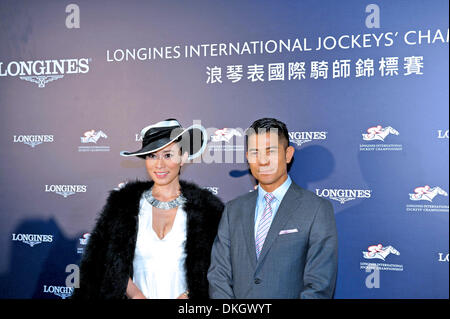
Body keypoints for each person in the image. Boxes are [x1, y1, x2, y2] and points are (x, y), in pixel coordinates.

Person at [71, 119, 223, 299]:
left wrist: (190, 294)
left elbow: (222, 267)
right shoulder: (122, 205)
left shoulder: (207, 210)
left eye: (167, 155)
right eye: (152, 156)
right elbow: (103, 260)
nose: (159, 164)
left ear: (183, 157)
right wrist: (135, 294)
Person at [207, 118, 338, 299]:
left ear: (288, 154)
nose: (262, 161)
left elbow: (319, 285)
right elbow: (219, 274)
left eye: (271, 151)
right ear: (247, 157)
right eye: (255, 152)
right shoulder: (233, 210)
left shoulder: (317, 209)